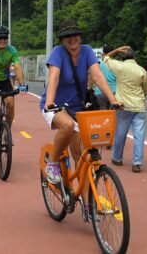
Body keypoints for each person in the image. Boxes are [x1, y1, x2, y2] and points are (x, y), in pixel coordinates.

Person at [40, 20, 120, 183]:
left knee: (82, 158)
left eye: (75, 35)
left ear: (80, 37)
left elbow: (97, 75)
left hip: (79, 108)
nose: (72, 39)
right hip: (57, 105)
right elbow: (54, 77)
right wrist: (50, 102)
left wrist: (113, 99)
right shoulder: (58, 52)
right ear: (62, 40)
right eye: (67, 36)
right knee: (68, 126)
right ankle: (53, 163)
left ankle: (88, 207)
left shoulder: (87, 51)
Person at [104, 46, 147, 173]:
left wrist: (117, 50)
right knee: (139, 135)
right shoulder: (141, 70)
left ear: (122, 58)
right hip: (139, 106)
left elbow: (106, 58)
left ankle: (117, 158)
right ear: (134, 57)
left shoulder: (119, 67)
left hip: (123, 105)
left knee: (120, 133)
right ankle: (137, 162)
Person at [91, 44, 117, 110]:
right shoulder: (117, 64)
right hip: (113, 92)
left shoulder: (97, 63)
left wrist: (89, 87)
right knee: (113, 114)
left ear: (103, 52)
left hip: (100, 93)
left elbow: (92, 77)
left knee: (102, 114)